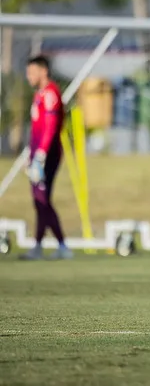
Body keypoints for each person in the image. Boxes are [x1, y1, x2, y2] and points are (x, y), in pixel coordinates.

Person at [20, 56, 72, 260]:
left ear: (43, 71)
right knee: (39, 201)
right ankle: (41, 246)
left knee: (42, 200)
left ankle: (60, 246)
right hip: (37, 154)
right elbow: (36, 129)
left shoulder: (51, 93)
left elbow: (50, 128)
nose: (28, 77)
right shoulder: (40, 95)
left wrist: (40, 156)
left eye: (31, 72)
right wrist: (29, 153)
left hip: (47, 156)